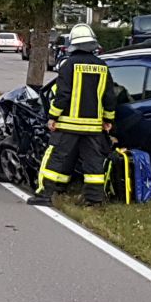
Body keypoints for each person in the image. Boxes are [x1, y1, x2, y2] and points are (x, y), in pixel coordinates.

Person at [28, 23, 117, 208]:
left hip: (68, 125)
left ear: (73, 44)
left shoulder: (69, 66)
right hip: (93, 127)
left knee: (54, 158)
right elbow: (109, 97)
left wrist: (53, 117)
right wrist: (108, 120)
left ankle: (45, 195)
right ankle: (94, 200)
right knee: (94, 164)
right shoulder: (102, 67)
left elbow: (63, 95)